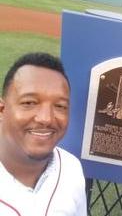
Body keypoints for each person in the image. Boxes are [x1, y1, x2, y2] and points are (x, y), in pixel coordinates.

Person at [0, 52, 87, 215]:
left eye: (60, 106)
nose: (46, 119)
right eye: (29, 103)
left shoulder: (71, 169)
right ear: (2, 110)